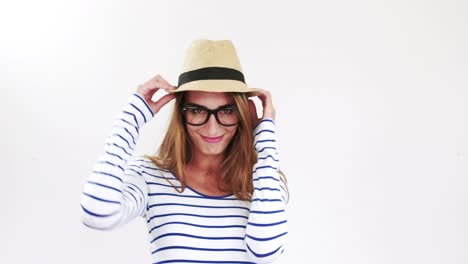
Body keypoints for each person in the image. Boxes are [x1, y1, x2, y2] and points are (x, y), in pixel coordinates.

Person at [80, 39, 289, 263]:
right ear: (181, 114)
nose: (212, 127)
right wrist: (131, 119)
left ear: (242, 113)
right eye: (198, 110)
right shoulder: (150, 175)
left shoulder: (264, 181)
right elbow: (97, 214)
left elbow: (265, 252)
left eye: (226, 110)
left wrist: (266, 140)